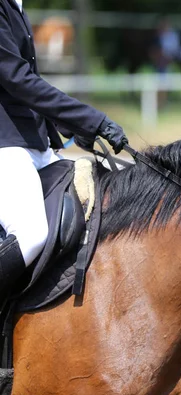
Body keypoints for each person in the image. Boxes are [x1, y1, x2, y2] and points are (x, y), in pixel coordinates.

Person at [0, 0, 128, 299]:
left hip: (33, 144)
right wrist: (91, 120)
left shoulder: (13, 5)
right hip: (5, 145)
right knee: (31, 235)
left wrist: (73, 127)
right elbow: (17, 80)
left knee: (112, 187)